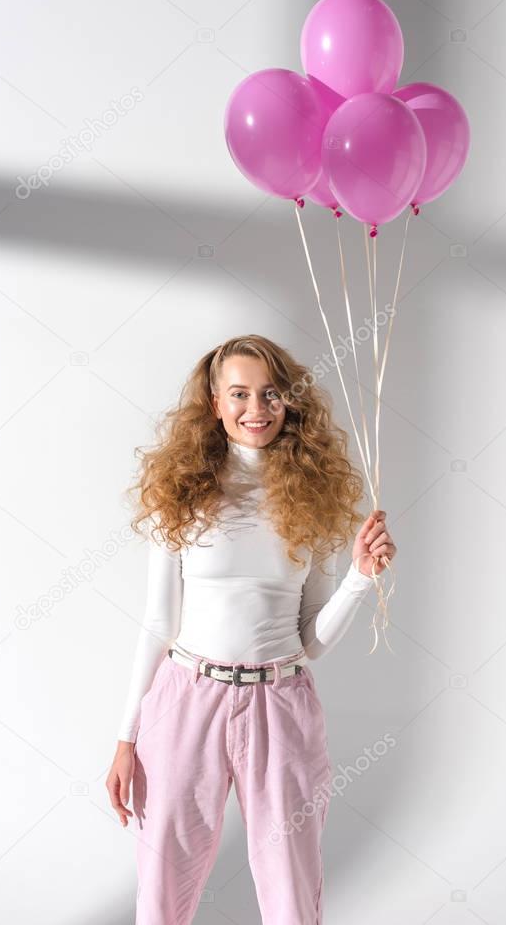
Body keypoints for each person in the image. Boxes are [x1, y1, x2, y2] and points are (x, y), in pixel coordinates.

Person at [105, 334, 396, 924]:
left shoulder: (312, 501)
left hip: (280, 702)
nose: (255, 408)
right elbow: (158, 623)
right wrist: (126, 737)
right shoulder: (180, 497)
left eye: (269, 394)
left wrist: (361, 578)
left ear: (289, 401)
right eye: (238, 394)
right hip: (186, 700)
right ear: (215, 403)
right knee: (162, 887)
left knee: (292, 885)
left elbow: (310, 640)